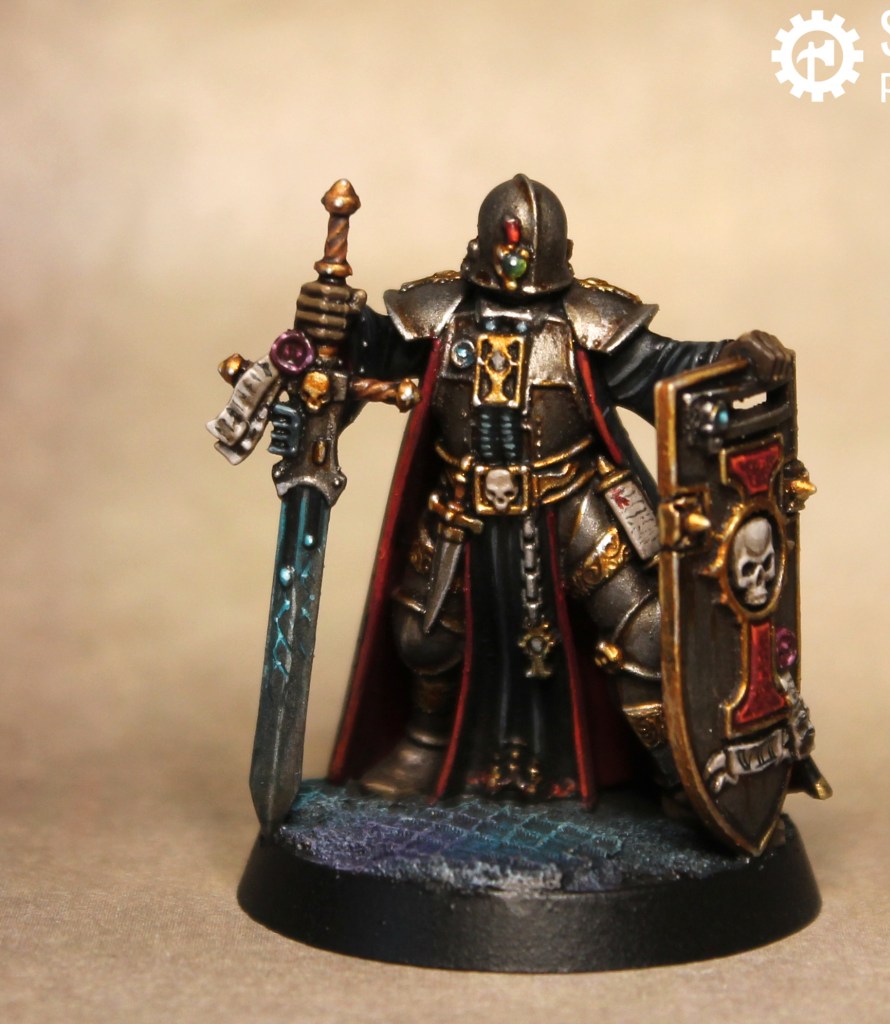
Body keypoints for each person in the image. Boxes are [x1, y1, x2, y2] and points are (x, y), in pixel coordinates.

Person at [326, 174, 791, 807]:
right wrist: (342, 320)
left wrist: (735, 356)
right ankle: (427, 744)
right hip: (461, 503)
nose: (514, 260)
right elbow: (374, 347)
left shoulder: (587, 323)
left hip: (572, 502)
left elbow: (666, 367)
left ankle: (675, 770)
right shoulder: (439, 314)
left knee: (648, 633)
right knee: (424, 635)